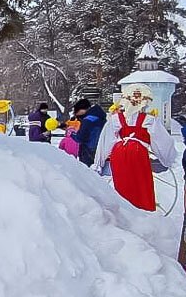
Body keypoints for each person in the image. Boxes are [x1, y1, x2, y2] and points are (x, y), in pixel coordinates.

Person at [94, 84, 176, 212]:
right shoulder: (149, 120)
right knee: (141, 185)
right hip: (138, 154)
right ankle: (143, 211)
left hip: (119, 153)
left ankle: (123, 212)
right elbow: (162, 142)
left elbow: (105, 140)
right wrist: (167, 159)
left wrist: (99, 163)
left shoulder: (116, 119)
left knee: (122, 185)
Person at [70, 98, 108, 167]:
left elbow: (81, 138)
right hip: (99, 150)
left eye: (77, 111)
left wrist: (72, 134)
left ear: (82, 109)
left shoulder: (87, 120)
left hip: (87, 151)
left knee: (87, 174)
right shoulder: (100, 117)